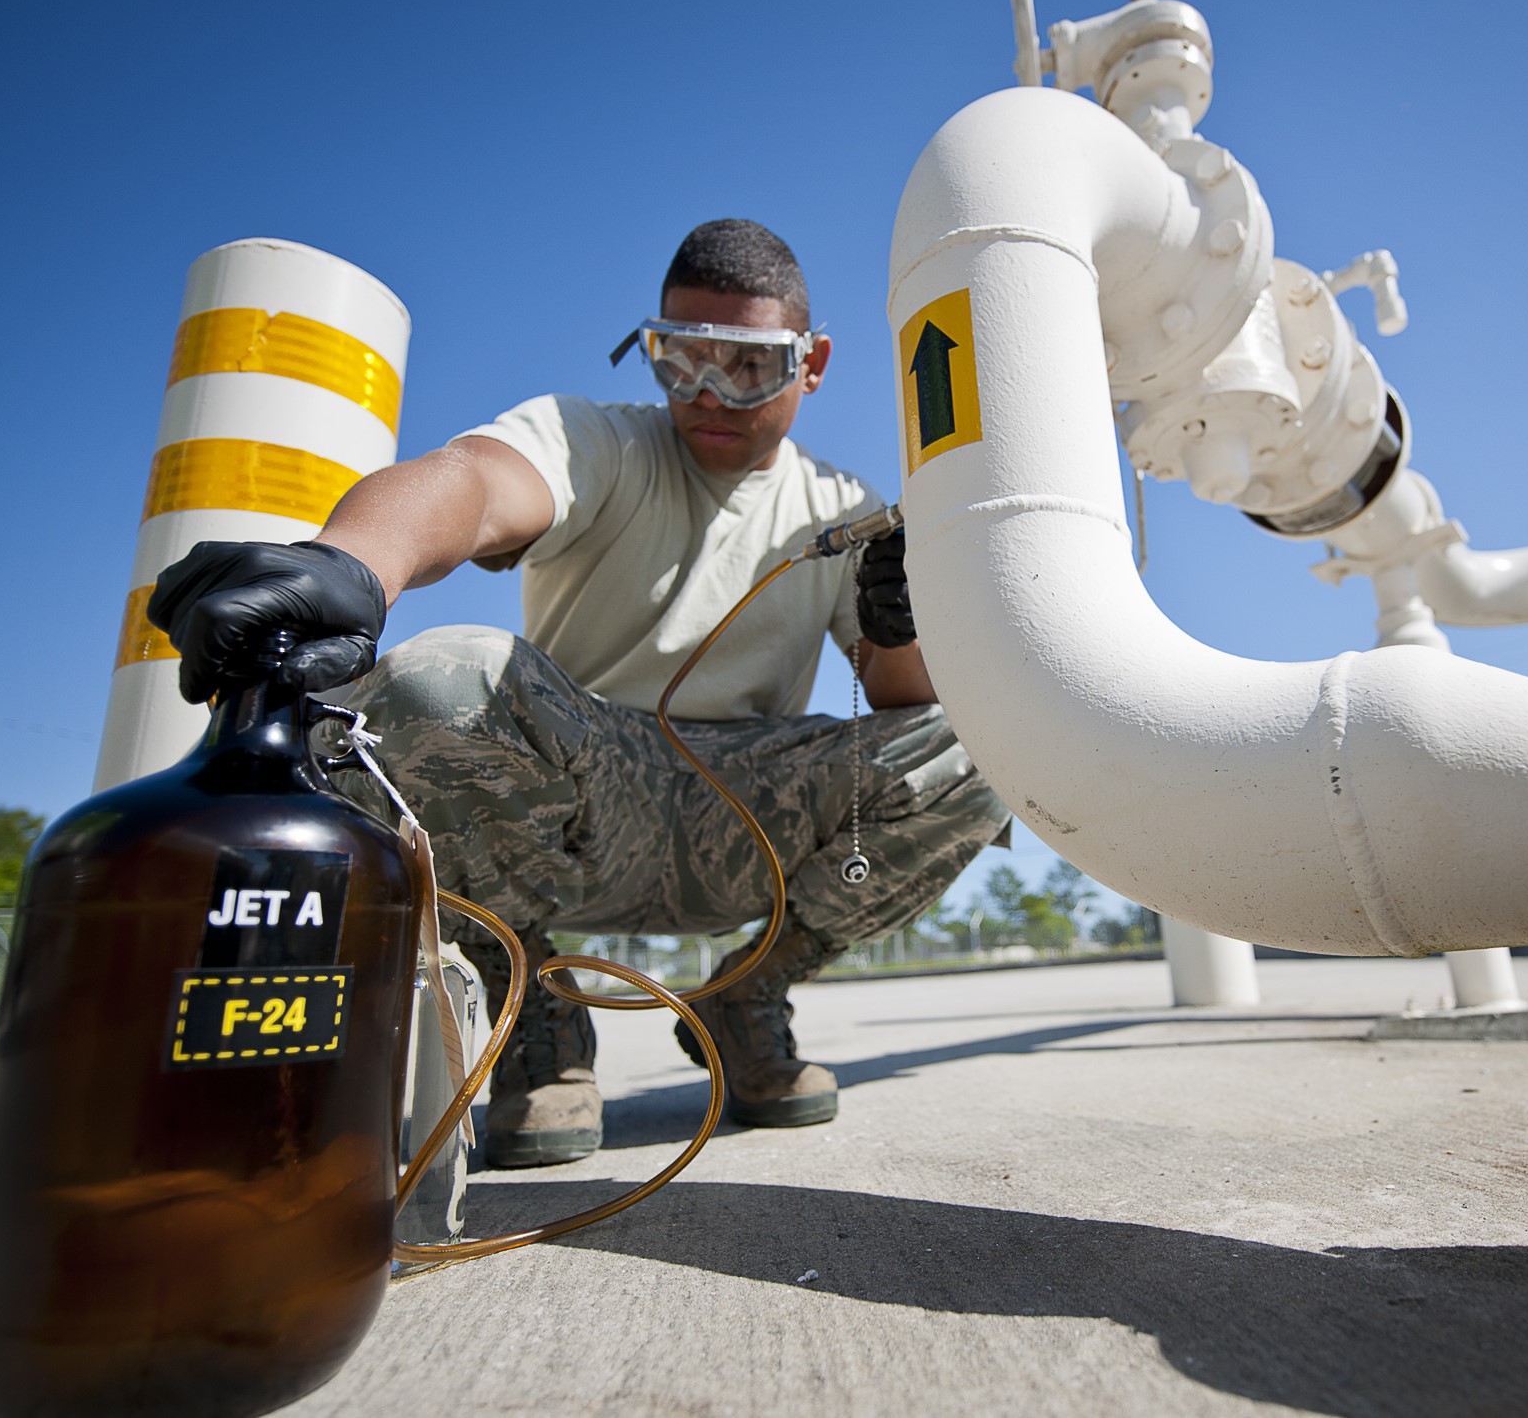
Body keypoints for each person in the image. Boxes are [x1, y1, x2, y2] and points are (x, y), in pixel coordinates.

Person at [148, 220, 1010, 1168]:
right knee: (446, 680)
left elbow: (906, 713)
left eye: (749, 367)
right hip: (578, 804)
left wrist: (899, 629)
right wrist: (353, 564)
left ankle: (752, 993)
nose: (710, 395)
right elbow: (472, 484)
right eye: (681, 360)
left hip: (748, 815)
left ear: (812, 365)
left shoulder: (844, 513)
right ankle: (535, 1011)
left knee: (981, 740)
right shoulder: (598, 441)